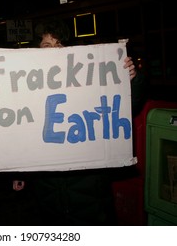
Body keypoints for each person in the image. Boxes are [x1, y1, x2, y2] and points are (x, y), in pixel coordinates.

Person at [12, 18, 147, 225]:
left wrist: (130, 80)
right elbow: (19, 132)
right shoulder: (27, 89)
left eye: (59, 45)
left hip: (90, 187)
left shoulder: (89, 78)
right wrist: (20, 170)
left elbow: (124, 109)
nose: (54, 50)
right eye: (47, 45)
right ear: (37, 50)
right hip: (48, 189)